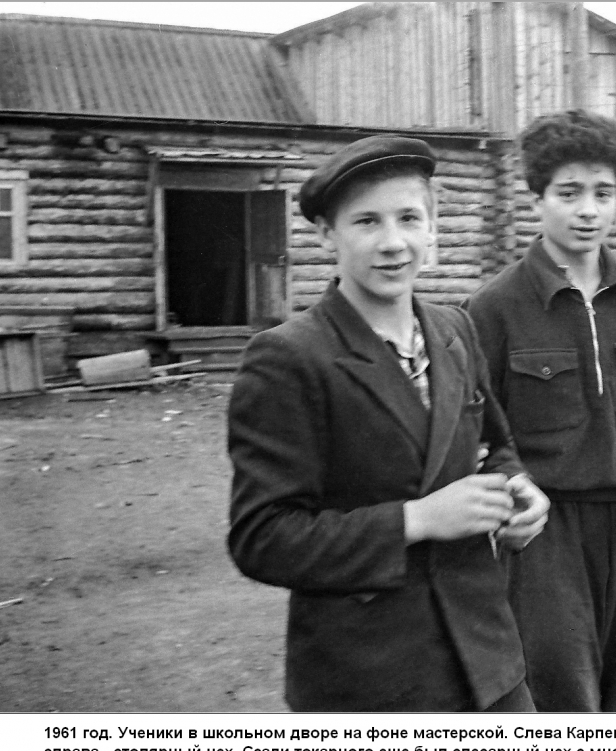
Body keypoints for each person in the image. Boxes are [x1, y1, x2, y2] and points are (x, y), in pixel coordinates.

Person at [227, 136, 549, 712]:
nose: (393, 242)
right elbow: (263, 539)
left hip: (487, 658)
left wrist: (517, 491)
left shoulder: (454, 330)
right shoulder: (288, 358)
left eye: (409, 218)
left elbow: (494, 443)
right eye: (366, 222)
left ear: (432, 228)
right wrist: (415, 520)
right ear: (327, 235)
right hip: (370, 676)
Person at [467, 110, 616, 712]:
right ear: (537, 198)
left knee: (610, 700)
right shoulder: (494, 308)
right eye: (569, 194)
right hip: (542, 536)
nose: (588, 210)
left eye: (604, 193)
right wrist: (507, 497)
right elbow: (475, 438)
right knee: (562, 702)